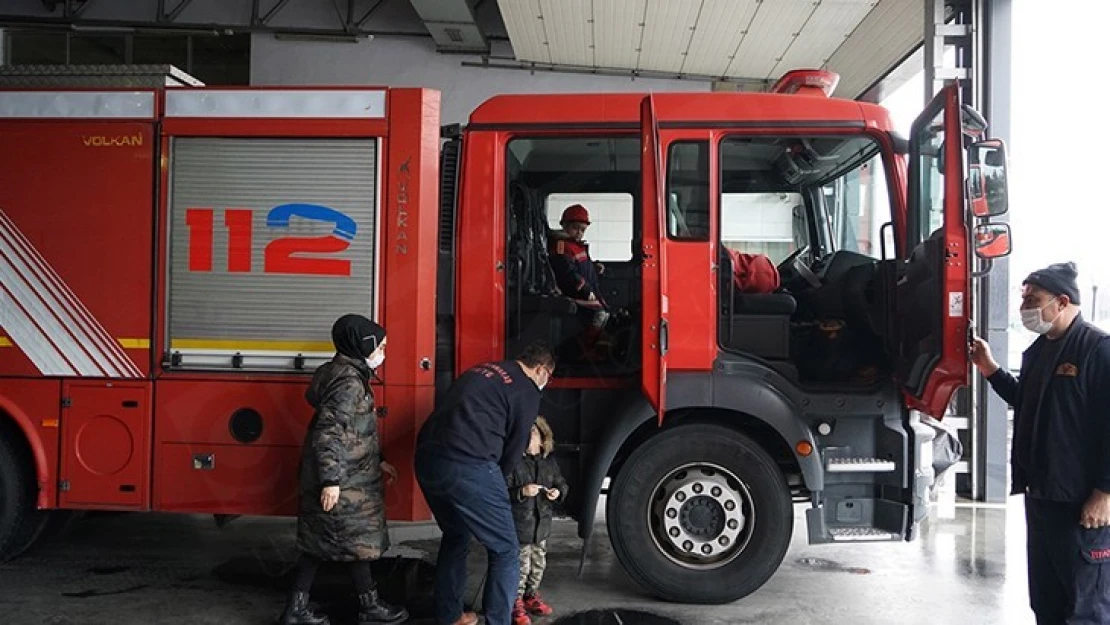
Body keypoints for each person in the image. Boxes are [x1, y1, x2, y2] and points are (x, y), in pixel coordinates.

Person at [970, 262, 1110, 624]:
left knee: (1085, 606)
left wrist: (1105, 492)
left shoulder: (1097, 350)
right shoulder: (1038, 351)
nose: (1025, 308)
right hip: (1042, 496)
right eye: (1024, 298)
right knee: (1046, 601)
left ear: (1062, 302)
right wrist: (990, 370)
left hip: (1082, 504)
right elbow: (1027, 401)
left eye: (1033, 299)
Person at [279, 314, 408, 625]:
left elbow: (355, 430)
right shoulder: (349, 383)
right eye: (381, 346)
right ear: (363, 345)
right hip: (344, 479)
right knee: (350, 542)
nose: (384, 353)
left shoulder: (340, 372)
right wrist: (331, 481)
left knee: (335, 541)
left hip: (351, 474)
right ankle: (364, 607)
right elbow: (330, 431)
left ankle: (308, 608)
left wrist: (379, 460)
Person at [414, 342, 555, 625]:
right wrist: (497, 486)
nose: (545, 383)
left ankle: (451, 616)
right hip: (469, 464)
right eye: (548, 378)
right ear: (540, 369)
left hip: (427, 458)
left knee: (456, 535)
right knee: (505, 549)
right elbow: (516, 448)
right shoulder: (526, 390)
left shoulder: (484, 370)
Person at [506, 417, 568, 625]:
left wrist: (557, 492)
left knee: (538, 565)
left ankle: (531, 596)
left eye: (532, 432)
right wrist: (522, 491)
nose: (528, 436)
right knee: (521, 568)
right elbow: (503, 493)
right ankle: (515, 603)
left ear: (543, 440)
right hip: (521, 527)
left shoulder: (549, 464)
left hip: (541, 528)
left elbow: (561, 483)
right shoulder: (514, 463)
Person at [548, 204, 610, 358]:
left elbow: (581, 267)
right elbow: (566, 272)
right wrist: (585, 289)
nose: (579, 233)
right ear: (564, 226)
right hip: (572, 293)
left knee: (606, 314)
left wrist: (595, 268)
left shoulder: (578, 247)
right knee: (600, 314)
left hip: (585, 292)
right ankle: (583, 350)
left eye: (582, 230)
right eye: (575, 228)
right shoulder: (562, 246)